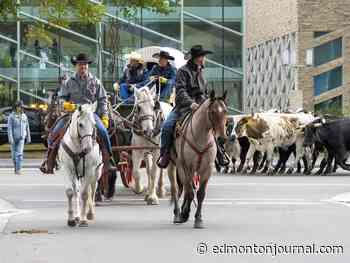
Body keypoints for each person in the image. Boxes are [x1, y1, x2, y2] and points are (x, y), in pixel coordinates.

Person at [40, 53, 116, 174]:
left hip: (90, 114)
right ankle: (50, 161)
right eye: (80, 64)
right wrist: (65, 105)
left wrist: (105, 116)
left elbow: (103, 99)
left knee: (103, 131)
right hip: (72, 114)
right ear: (76, 66)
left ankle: (109, 160)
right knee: (53, 134)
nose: (83, 67)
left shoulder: (95, 81)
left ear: (88, 66)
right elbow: (61, 98)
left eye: (85, 64)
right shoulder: (69, 82)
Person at [157, 45, 213, 168]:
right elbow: (181, 91)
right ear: (196, 58)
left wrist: (206, 104)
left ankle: (219, 153)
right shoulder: (182, 71)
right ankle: (164, 154)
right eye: (202, 56)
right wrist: (190, 103)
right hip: (183, 107)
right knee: (167, 127)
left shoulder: (202, 72)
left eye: (204, 56)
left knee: (215, 124)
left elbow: (206, 92)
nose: (204, 59)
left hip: (201, 107)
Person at [7, 100, 31, 175]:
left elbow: (27, 127)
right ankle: (16, 167)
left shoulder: (24, 116)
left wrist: (28, 137)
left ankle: (18, 169)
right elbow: (9, 128)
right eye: (20, 107)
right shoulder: (11, 116)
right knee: (14, 156)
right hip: (13, 138)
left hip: (21, 138)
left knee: (19, 154)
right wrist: (10, 138)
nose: (21, 108)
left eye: (22, 107)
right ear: (16, 107)